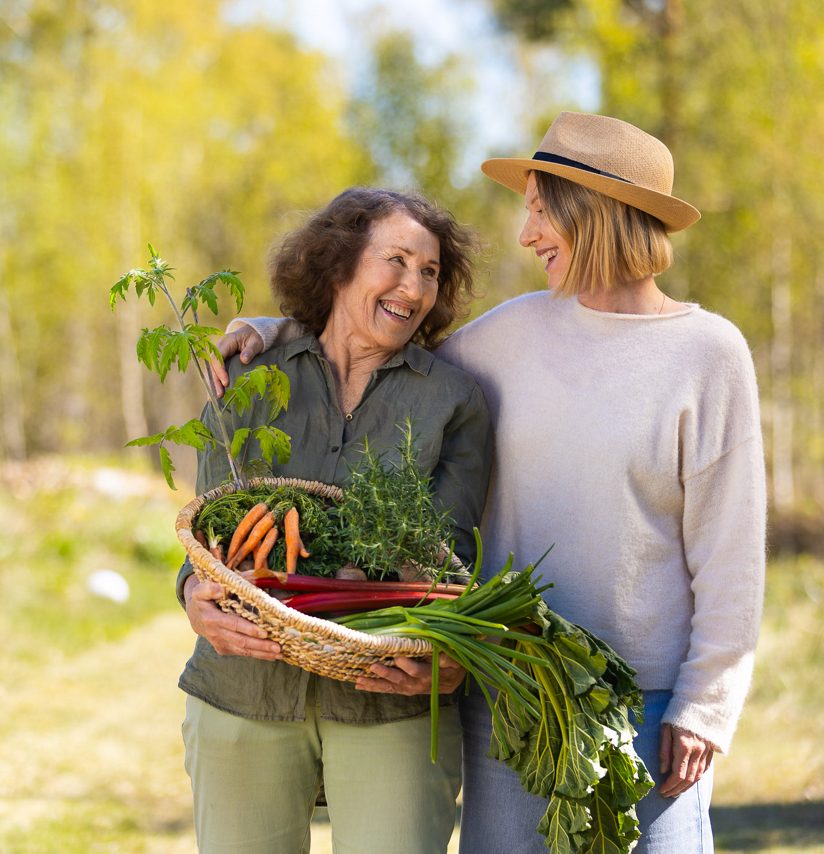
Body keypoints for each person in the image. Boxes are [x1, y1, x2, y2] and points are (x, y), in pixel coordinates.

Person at [215, 112, 767, 852]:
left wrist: (706, 705)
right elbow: (376, 337)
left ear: (591, 213)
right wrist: (272, 330)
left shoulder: (708, 354)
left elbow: (732, 553)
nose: (526, 232)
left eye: (541, 209)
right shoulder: (508, 336)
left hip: (649, 705)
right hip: (509, 690)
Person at [176, 187, 493, 854]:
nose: (414, 285)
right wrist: (192, 599)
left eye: (430, 271)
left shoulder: (453, 400)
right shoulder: (250, 376)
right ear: (340, 262)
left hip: (388, 697)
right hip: (245, 690)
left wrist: (448, 655)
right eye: (396, 260)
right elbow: (203, 541)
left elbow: (450, 567)